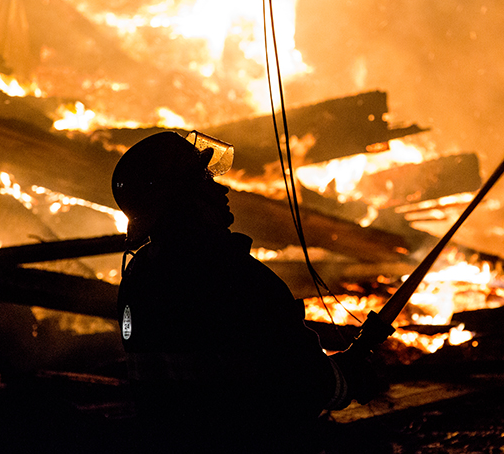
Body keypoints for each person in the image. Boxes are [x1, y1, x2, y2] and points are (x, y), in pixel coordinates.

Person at [112, 130, 384, 453]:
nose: (220, 187)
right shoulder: (235, 278)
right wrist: (348, 377)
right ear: (183, 198)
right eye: (204, 179)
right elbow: (304, 381)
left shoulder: (137, 279)